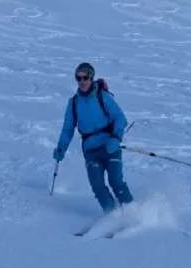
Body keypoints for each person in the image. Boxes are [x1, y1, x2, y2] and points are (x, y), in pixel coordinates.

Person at [53, 62, 133, 213]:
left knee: (116, 181)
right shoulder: (74, 103)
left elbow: (120, 118)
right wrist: (61, 148)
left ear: (91, 77)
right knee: (97, 186)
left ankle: (132, 212)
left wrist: (115, 138)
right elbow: (67, 129)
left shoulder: (102, 97)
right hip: (91, 151)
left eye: (85, 77)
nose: (82, 81)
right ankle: (113, 215)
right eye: (78, 78)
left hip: (110, 147)